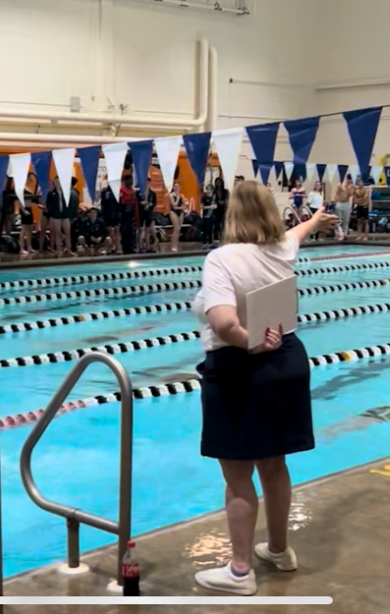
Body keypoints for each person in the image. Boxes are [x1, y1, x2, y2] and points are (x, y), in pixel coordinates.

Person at [192, 181, 338, 596]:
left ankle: (240, 571)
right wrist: (314, 220)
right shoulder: (280, 250)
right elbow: (296, 235)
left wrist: (248, 340)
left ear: (232, 214)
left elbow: (222, 322)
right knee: (274, 467)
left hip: (241, 367)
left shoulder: (221, 259)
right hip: (288, 361)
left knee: (238, 476)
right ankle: (278, 549)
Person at [99, 180, 123, 254]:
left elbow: (121, 203)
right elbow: (103, 203)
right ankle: (110, 247)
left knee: (117, 230)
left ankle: (118, 247)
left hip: (116, 213)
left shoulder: (118, 191)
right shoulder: (104, 191)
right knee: (109, 231)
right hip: (108, 213)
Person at [118, 174, 138, 254]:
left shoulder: (132, 190)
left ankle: (131, 247)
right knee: (125, 231)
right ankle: (125, 248)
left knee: (131, 231)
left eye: (132, 180)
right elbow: (121, 202)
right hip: (124, 214)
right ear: (125, 181)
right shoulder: (122, 190)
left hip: (131, 213)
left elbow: (135, 203)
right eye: (129, 180)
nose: (131, 182)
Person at [139, 183, 158, 253]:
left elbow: (155, 202)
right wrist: (141, 203)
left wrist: (151, 204)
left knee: (147, 230)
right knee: (141, 230)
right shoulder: (139, 193)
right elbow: (136, 202)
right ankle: (140, 247)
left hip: (148, 213)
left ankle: (148, 247)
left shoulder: (152, 193)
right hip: (141, 213)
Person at [168, 182, 187, 251]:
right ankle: (173, 245)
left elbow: (184, 206)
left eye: (178, 186)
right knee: (176, 228)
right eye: (175, 186)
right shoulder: (171, 195)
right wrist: (178, 198)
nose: (176, 188)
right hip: (173, 212)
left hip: (180, 213)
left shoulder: (181, 196)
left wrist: (179, 208)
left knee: (179, 229)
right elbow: (174, 205)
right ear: (173, 187)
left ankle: (176, 245)